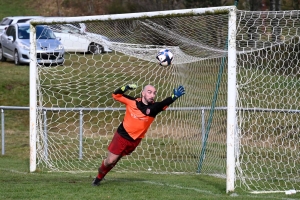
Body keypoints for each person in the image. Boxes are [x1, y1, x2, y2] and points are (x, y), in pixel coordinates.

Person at [92, 83, 185, 186]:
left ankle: (101, 175)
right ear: (143, 93)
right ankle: (99, 175)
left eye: (154, 93)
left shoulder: (154, 108)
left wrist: (174, 96)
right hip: (122, 135)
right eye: (149, 92)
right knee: (110, 161)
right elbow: (116, 95)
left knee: (116, 160)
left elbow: (164, 102)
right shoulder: (132, 102)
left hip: (135, 140)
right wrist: (125, 88)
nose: (152, 95)